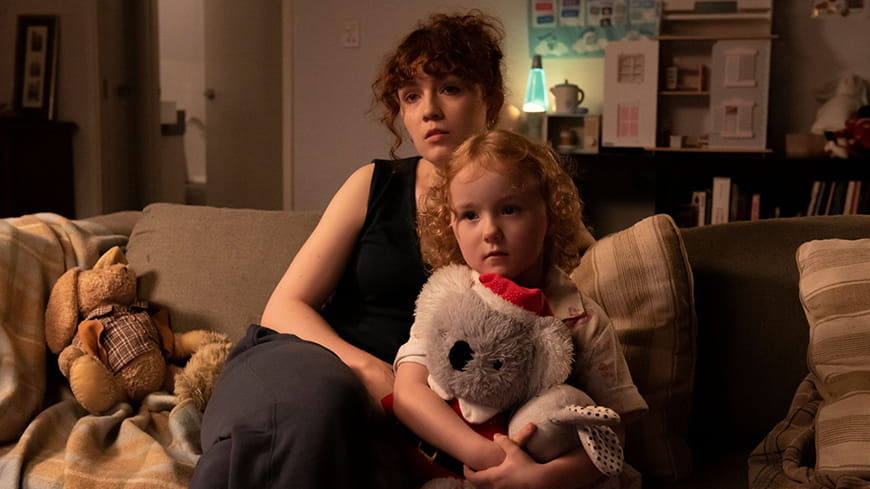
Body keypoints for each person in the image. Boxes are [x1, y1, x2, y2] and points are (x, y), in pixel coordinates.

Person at [189, 10, 509, 489]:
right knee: (318, 403)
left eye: (450, 88)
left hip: (411, 411)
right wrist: (365, 368)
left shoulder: (520, 204)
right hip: (312, 360)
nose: (429, 111)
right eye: (411, 96)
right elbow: (284, 306)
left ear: (492, 99)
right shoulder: (374, 183)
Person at [392, 129, 648, 488]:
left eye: (509, 209)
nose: (490, 231)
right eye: (470, 215)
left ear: (550, 215)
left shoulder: (581, 318)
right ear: (451, 224)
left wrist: (538, 478)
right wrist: (489, 458)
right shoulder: (446, 300)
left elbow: (614, 433)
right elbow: (408, 395)